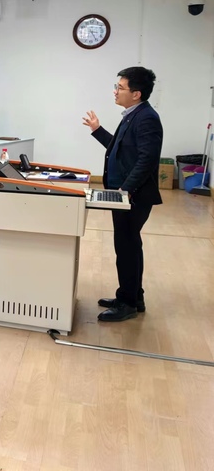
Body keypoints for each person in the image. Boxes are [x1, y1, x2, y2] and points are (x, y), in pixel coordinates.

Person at [83, 67, 163, 322]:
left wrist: (126, 190)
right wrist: (97, 129)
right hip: (126, 194)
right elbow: (119, 148)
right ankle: (133, 296)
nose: (115, 91)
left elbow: (147, 159)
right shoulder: (133, 115)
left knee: (127, 247)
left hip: (133, 196)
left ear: (136, 93)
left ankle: (127, 303)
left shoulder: (146, 118)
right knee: (129, 245)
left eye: (120, 87)